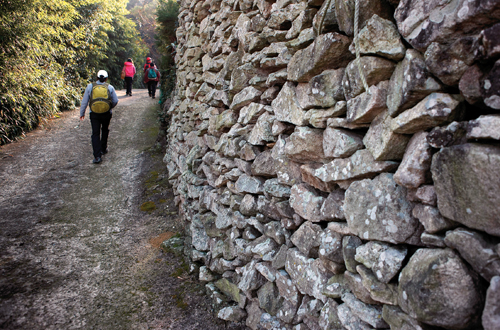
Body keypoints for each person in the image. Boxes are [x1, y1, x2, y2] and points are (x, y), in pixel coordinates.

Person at [80, 70, 119, 164]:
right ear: (106, 78)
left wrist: (82, 113)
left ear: (97, 77)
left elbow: (85, 101)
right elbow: (115, 100)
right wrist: (109, 107)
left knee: (95, 133)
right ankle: (103, 148)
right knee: (105, 129)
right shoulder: (110, 87)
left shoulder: (90, 87)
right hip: (106, 113)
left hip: (94, 113)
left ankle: (97, 156)